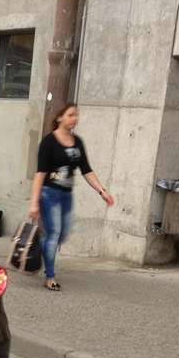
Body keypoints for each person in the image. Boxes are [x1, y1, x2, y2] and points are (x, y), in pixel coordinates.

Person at [28, 104, 114, 292]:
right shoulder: (49, 142)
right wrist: (34, 202)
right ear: (60, 118)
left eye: (77, 115)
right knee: (54, 234)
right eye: (70, 114)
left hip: (66, 196)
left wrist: (102, 191)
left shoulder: (78, 142)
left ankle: (43, 247)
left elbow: (86, 170)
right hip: (49, 194)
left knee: (62, 234)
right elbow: (40, 174)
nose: (75, 118)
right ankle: (50, 276)